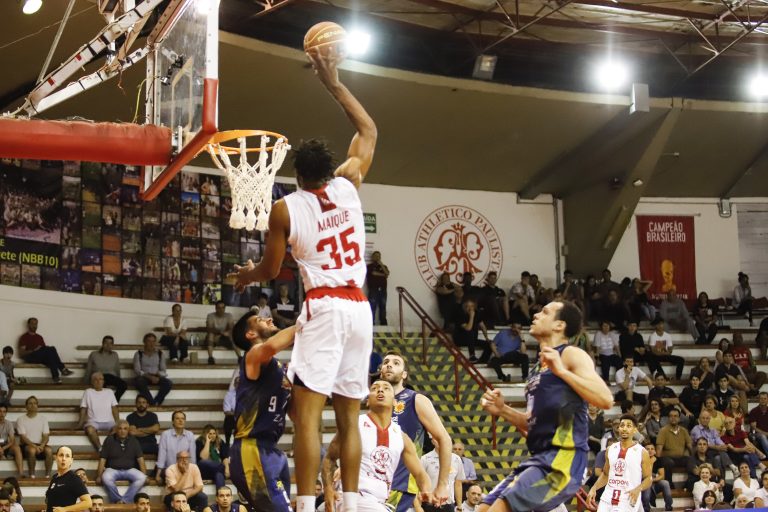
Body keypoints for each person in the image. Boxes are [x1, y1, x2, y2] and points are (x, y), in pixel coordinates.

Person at [231, 44, 377, 512]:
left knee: (308, 419)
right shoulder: (349, 183)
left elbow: (272, 271)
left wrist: (247, 275)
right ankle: (351, 504)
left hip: (325, 305)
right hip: (360, 307)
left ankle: (309, 506)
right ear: (331, 169)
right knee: (350, 418)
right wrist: (333, 81)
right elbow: (368, 130)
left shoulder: (285, 208)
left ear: (296, 174)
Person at [479, 301, 614, 512]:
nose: (535, 315)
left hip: (565, 458)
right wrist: (502, 410)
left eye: (544, 312)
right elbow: (531, 421)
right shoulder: (538, 368)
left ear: (559, 325)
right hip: (540, 457)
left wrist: (562, 372)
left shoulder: (570, 354)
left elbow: (605, 399)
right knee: (483, 508)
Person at [321, 380, 436, 512]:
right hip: (352, 497)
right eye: (375, 388)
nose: (380, 390)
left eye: (386, 388)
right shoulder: (354, 425)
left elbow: (420, 473)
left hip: (379, 501)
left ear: (395, 402)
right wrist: (328, 491)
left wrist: (426, 490)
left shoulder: (401, 437)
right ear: (368, 401)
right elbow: (329, 458)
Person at [229, 313, 295, 512]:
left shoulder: (278, 368)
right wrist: (304, 322)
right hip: (251, 448)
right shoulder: (253, 355)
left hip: (271, 450)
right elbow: (270, 347)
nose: (268, 319)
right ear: (250, 334)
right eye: (260, 319)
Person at [378, 351, 452, 511]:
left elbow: (445, 439)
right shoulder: (376, 402)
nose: (389, 365)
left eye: (396, 363)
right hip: (373, 483)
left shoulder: (415, 399)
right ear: (380, 371)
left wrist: (442, 485)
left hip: (399, 484)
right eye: (386, 362)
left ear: (404, 374)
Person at [587, 414, 651, 512]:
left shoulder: (642, 452)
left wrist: (638, 489)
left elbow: (648, 478)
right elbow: (605, 474)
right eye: (622, 425)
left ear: (635, 430)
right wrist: (594, 488)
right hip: (608, 497)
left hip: (628, 498)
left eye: (628, 426)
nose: (624, 428)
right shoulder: (610, 449)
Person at [96, 420, 147, 504]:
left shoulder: (134, 440)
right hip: (113, 469)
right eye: (120, 428)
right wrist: (99, 476)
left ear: (128, 430)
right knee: (105, 478)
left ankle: (125, 501)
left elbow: (140, 459)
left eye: (125, 429)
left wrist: (145, 475)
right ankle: (117, 500)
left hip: (129, 469)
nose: (122, 431)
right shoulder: (109, 440)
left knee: (142, 478)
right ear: (116, 430)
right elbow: (102, 459)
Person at [17, 318, 73, 384]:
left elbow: (45, 351)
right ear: (28, 325)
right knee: (51, 350)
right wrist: (33, 350)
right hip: (31, 357)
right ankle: (62, 370)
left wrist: (40, 350)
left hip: (40, 357)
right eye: (32, 324)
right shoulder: (24, 337)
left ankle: (56, 377)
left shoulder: (39, 337)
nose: (34, 326)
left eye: (36, 324)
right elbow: (21, 354)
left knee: (51, 351)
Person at [420, 433, 465, 510]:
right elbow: (420, 483)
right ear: (432, 441)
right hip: (429, 504)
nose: (440, 441)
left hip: (449, 504)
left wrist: (459, 506)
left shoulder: (456, 459)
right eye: (437, 439)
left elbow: (458, 484)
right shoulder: (425, 459)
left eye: (442, 439)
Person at [77, 372, 119, 450]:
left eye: (100, 379)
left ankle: (107, 447)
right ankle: (100, 449)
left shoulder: (109, 392)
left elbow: (114, 408)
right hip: (94, 422)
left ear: (103, 381)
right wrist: (80, 424)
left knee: (118, 429)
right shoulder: (88, 392)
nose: (98, 381)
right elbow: (83, 408)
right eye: (95, 379)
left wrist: (117, 422)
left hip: (109, 422)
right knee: (90, 430)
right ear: (92, 382)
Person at [45, 446, 92, 512]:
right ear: (56, 458)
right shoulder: (54, 477)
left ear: (71, 460)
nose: (63, 459)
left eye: (67, 456)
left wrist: (65, 509)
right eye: (61, 455)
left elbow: (88, 503)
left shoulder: (74, 478)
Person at [16, 395, 52, 478]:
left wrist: (42, 446)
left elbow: (46, 435)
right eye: (30, 403)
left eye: (35, 403)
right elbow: (23, 438)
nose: (33, 405)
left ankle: (48, 476)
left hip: (40, 445)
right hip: (27, 445)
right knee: (32, 450)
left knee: (49, 450)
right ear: (26, 406)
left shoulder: (43, 418)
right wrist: (35, 446)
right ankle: (32, 475)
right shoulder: (21, 419)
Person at [133, 333, 173, 406]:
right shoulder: (138, 354)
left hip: (156, 375)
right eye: (149, 341)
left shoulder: (160, 353)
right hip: (144, 376)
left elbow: (163, 370)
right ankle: (152, 403)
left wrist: (158, 375)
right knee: (139, 382)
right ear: (144, 342)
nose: (151, 344)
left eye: (153, 341)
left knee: (168, 383)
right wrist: (149, 377)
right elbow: (137, 370)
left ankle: (157, 401)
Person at [156, 411, 196, 483]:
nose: (180, 421)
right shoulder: (165, 435)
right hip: (169, 469)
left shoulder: (190, 435)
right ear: (173, 422)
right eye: (177, 418)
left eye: (183, 419)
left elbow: (192, 457)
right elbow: (162, 455)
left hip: (184, 470)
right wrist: (158, 474)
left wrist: (193, 473)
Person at [655, 409, 692, 484]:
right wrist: (658, 463)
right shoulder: (663, 431)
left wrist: (693, 457)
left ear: (679, 418)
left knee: (690, 460)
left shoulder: (684, 431)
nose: (673, 418)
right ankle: (669, 484)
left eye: (675, 416)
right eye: (671, 416)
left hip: (680, 458)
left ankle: (689, 484)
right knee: (669, 462)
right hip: (667, 458)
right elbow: (659, 449)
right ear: (668, 418)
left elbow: (690, 446)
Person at [84, 336, 127, 401]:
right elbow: (88, 369)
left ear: (112, 345)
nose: (108, 345)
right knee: (101, 383)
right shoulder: (94, 354)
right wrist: (85, 382)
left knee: (124, 385)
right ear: (102, 344)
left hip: (111, 377)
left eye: (110, 343)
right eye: (106, 343)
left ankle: (113, 401)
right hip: (98, 376)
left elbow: (117, 369)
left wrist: (119, 379)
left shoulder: (115, 355)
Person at [195, 425, 229, 490]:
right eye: (210, 434)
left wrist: (227, 469)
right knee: (204, 462)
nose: (212, 435)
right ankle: (222, 468)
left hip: (216, 471)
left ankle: (221, 494)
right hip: (203, 470)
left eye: (214, 433)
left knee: (219, 476)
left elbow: (225, 457)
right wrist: (207, 442)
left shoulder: (220, 442)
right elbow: (204, 457)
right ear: (205, 434)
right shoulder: (199, 441)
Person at [641, 443, 673, 512]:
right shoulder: (640, 460)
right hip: (643, 484)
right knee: (648, 484)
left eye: (652, 449)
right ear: (643, 451)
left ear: (655, 451)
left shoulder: (658, 460)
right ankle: (646, 508)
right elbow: (643, 475)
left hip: (654, 483)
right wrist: (650, 463)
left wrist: (652, 480)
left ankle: (668, 507)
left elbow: (662, 476)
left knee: (665, 483)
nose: (650, 451)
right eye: (647, 449)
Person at [366, 251, 390, 326]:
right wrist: (384, 275)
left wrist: (381, 264)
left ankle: (383, 324)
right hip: (373, 289)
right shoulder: (369, 266)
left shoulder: (384, 266)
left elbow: (387, 273)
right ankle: (371, 324)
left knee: (383, 307)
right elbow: (374, 273)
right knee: (372, 307)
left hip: (383, 290)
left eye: (379, 256)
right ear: (372, 257)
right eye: (376, 256)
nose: (377, 257)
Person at [0, 404, 22, 475]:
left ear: (6, 413)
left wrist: (3, 448)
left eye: (4, 411)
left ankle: (21, 473)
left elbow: (12, 440)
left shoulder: (9, 423)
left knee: (17, 448)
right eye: (0, 411)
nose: (2, 414)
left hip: (5, 446)